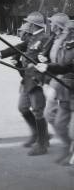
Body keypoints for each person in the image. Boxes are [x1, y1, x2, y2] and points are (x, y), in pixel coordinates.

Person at [0, 11, 52, 155]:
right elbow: (17, 48)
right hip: (27, 79)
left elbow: (47, 59)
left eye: (28, 23)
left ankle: (42, 143)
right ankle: (38, 134)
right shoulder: (32, 38)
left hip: (37, 80)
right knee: (23, 108)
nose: (26, 25)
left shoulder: (45, 38)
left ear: (33, 25)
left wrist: (41, 66)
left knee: (38, 111)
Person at [36, 19, 74, 166]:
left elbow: (68, 66)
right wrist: (47, 66)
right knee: (58, 123)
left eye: (67, 31)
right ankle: (67, 148)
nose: (65, 34)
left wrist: (49, 67)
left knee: (72, 130)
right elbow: (61, 65)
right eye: (65, 31)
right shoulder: (64, 44)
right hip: (65, 89)